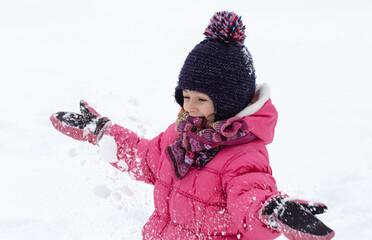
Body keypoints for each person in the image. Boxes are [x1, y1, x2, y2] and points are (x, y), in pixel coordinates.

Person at [50, 11, 334, 240]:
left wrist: (272, 211)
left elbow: (249, 200)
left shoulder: (244, 156)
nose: (190, 107)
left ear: (228, 102)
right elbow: (144, 158)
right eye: (185, 96)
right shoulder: (181, 134)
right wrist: (102, 131)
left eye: (201, 99)